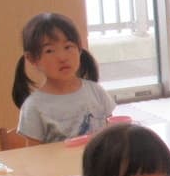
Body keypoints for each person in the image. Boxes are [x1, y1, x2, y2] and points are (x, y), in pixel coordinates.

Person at [12, 13, 115, 143]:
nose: (62, 57)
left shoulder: (96, 91)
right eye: (49, 50)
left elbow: (112, 135)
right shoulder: (34, 106)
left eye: (68, 47)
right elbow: (34, 153)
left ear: (79, 49)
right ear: (32, 59)